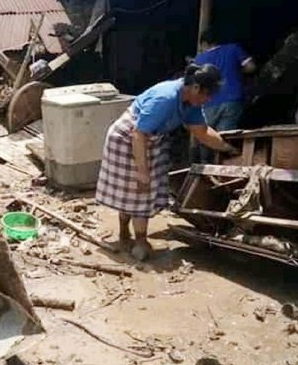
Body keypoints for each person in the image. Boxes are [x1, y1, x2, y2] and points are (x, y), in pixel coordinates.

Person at [95, 64, 239, 261]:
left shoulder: (191, 103)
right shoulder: (166, 98)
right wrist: (142, 171)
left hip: (148, 139)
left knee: (133, 194)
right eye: (208, 95)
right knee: (140, 194)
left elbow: (202, 132)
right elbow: (139, 134)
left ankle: (127, 236)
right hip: (128, 139)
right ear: (196, 88)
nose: (209, 100)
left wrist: (228, 148)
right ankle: (138, 240)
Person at [190, 30, 256, 163]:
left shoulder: (198, 60)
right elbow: (251, 67)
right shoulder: (234, 49)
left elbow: (193, 85)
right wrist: (236, 70)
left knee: (206, 137)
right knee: (226, 137)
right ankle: (223, 169)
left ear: (204, 44)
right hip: (233, 100)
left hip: (208, 103)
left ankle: (206, 170)